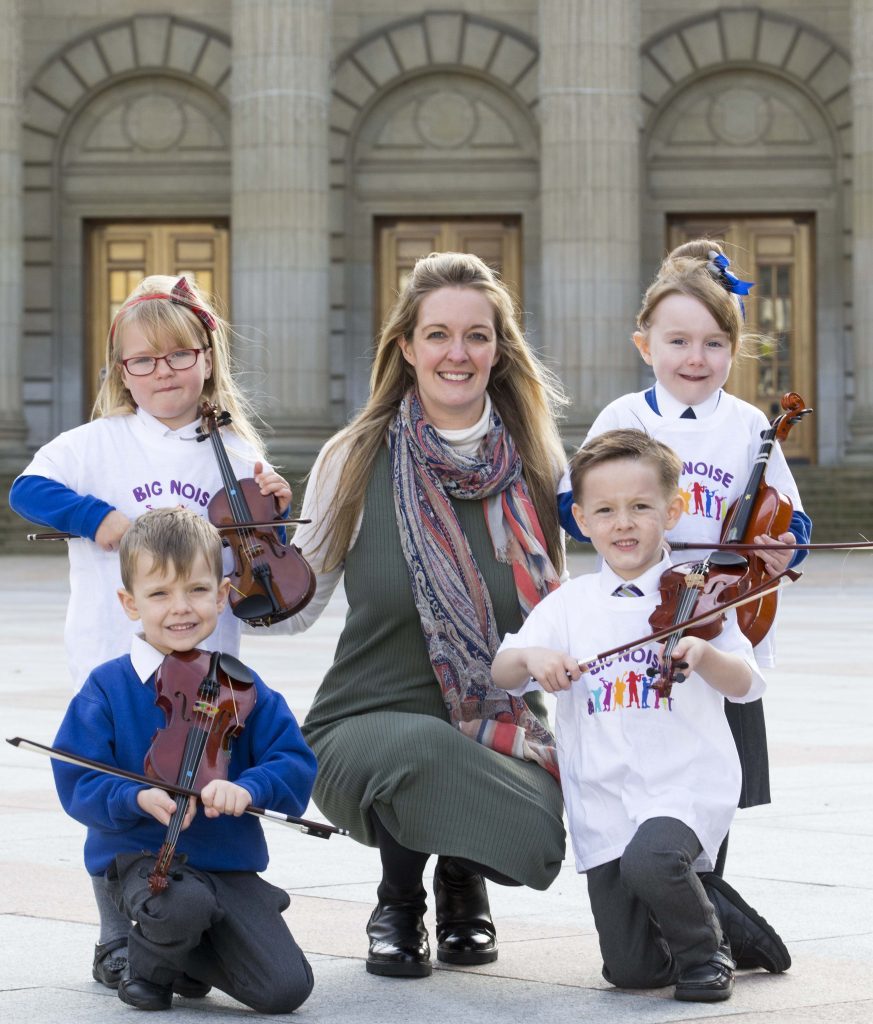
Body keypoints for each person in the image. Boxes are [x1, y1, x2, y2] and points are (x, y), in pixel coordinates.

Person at [8, 274, 294, 988]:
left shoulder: (232, 447)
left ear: (207, 357)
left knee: (191, 781)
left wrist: (274, 515)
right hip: (116, 658)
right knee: (118, 791)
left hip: (210, 663)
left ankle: (180, 913)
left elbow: (254, 559)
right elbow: (27, 490)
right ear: (121, 372)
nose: (163, 372)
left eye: (178, 355)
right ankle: (117, 928)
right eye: (144, 360)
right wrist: (101, 520)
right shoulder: (97, 443)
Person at [287, 251, 567, 978]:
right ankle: (400, 900)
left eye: (477, 335)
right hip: (362, 723)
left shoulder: (536, 462)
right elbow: (293, 605)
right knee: (421, 750)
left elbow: (567, 606)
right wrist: (217, 579)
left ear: (498, 350)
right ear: (406, 347)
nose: (457, 352)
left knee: (535, 838)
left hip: (502, 724)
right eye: (437, 334)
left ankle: (460, 879)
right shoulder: (351, 457)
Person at [492, 429, 791, 1003]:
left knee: (652, 861)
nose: (623, 523)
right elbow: (503, 671)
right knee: (631, 972)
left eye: (640, 507)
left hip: (683, 781)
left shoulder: (700, 595)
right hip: (603, 796)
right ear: (579, 519)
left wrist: (704, 655)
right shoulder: (569, 605)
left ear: (673, 510)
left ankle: (708, 956)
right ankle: (729, 920)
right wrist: (534, 656)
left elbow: (748, 683)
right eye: (605, 510)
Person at [557, 240, 812, 867]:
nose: (695, 358)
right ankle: (655, 893)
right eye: (677, 342)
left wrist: (784, 551)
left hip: (723, 620)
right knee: (638, 761)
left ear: (734, 349)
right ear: (645, 345)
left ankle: (709, 898)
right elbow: (571, 505)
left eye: (714, 344)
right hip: (639, 615)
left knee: (715, 775)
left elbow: (792, 516)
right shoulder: (623, 418)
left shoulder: (752, 424)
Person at [52, 507, 317, 1013]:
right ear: (130, 603)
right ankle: (148, 968)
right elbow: (77, 777)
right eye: (159, 594)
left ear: (221, 596)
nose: (181, 608)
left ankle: (183, 954)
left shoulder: (242, 686)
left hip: (227, 867)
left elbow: (293, 759)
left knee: (286, 989)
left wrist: (251, 788)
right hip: (145, 863)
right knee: (183, 904)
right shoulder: (108, 687)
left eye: (197, 590)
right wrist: (132, 795)